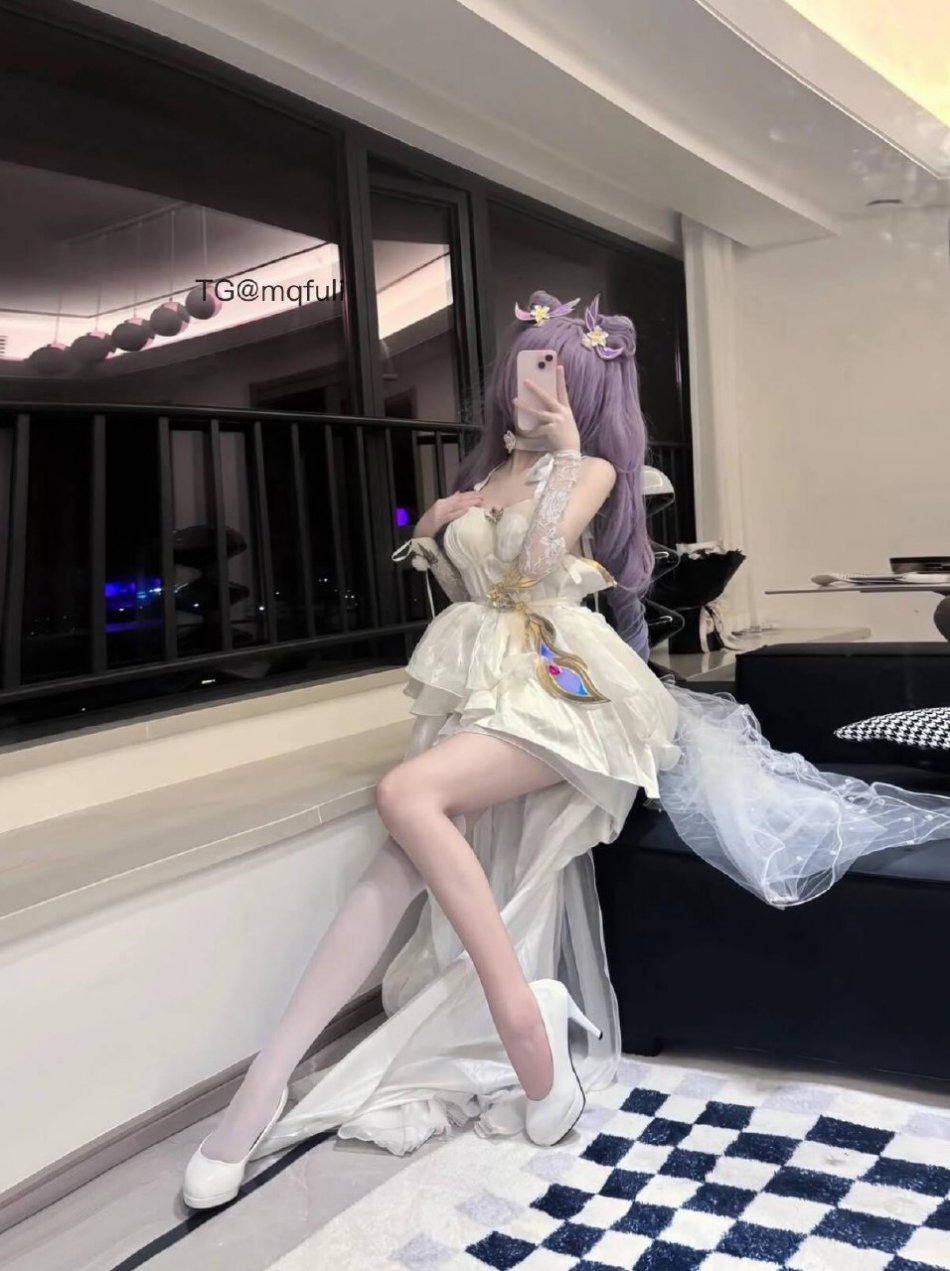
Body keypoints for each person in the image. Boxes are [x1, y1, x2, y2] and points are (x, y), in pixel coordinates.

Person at [183, 291, 950, 1209]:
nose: (528, 379)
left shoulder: (588, 470)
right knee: (397, 861)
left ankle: (524, 1030)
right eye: (524, 360)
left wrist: (561, 452)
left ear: (584, 383)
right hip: (482, 687)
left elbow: (538, 570)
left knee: (407, 796)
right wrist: (434, 528)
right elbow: (460, 593)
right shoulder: (482, 477)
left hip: (568, 692)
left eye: (552, 365)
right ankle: (263, 1087)